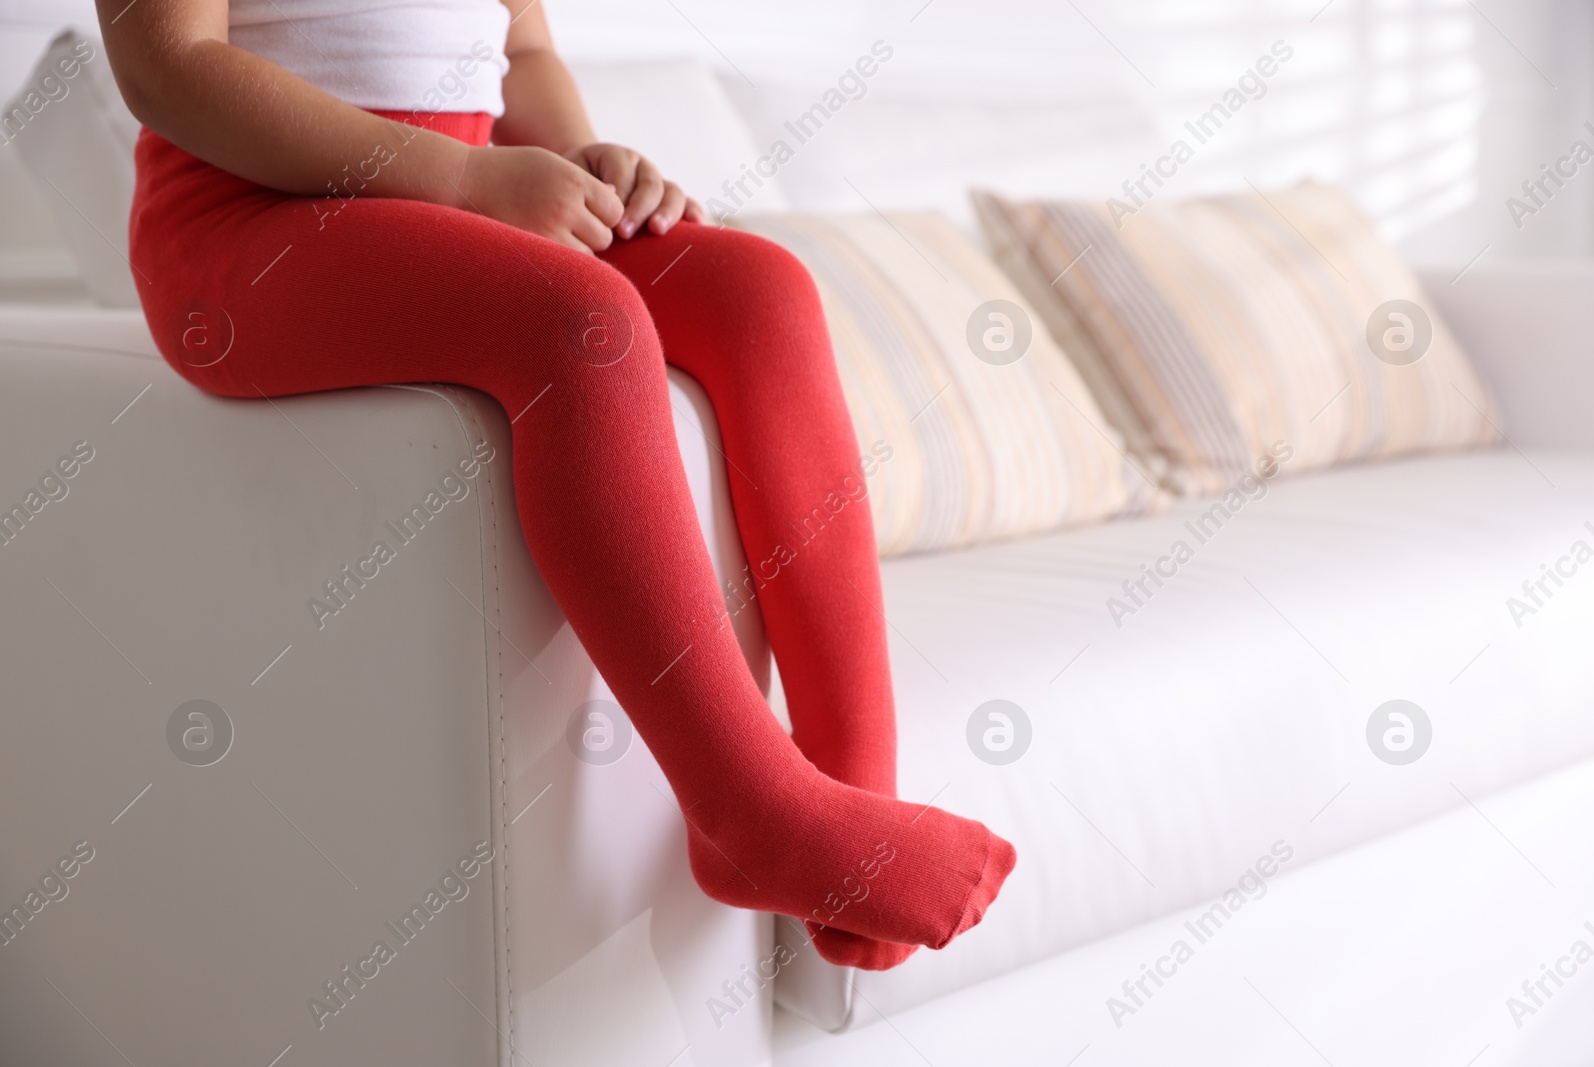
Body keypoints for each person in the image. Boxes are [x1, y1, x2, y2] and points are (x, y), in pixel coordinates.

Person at [96, 0, 1014, 970]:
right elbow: (167, 68)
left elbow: (523, 47)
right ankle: (754, 810)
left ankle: (854, 792)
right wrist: (461, 177)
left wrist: (582, 157)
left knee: (762, 295)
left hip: (465, 199)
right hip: (248, 222)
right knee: (579, 323)